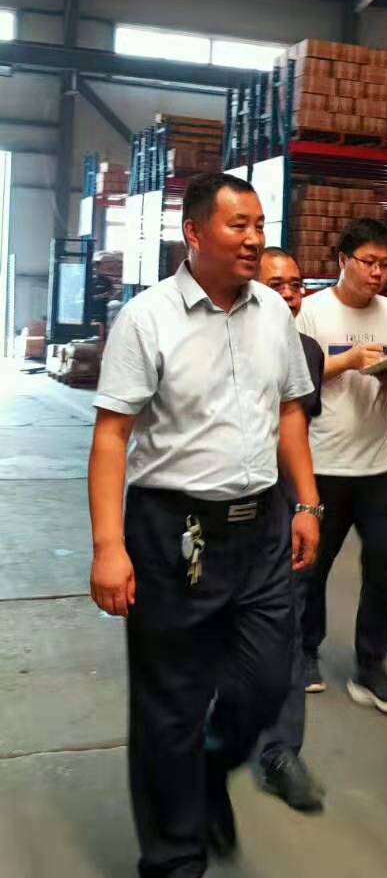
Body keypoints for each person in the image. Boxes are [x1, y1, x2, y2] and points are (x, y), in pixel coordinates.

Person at [88, 172, 321, 877]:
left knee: (266, 682)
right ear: (194, 233)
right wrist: (108, 547)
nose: (253, 239)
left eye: (259, 225)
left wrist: (307, 503)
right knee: (170, 705)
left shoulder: (274, 313)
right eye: (237, 225)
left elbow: (290, 409)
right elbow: (112, 436)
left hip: (262, 527)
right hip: (174, 532)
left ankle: (209, 769)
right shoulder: (148, 319)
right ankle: (173, 858)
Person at [297, 217, 387, 713]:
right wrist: (346, 361)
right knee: (312, 568)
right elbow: (296, 380)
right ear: (343, 261)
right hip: (324, 463)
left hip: (381, 463)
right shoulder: (311, 311)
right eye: (368, 262)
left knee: (385, 568)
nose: (377, 273)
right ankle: (304, 651)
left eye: (385, 264)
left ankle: (372, 666)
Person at [254, 247, 326, 811]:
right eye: (275, 284)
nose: (288, 294)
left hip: (279, 508)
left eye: (296, 285)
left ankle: (282, 750)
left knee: (287, 626)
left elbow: (294, 430)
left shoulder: (306, 352)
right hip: (213, 509)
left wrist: (307, 506)